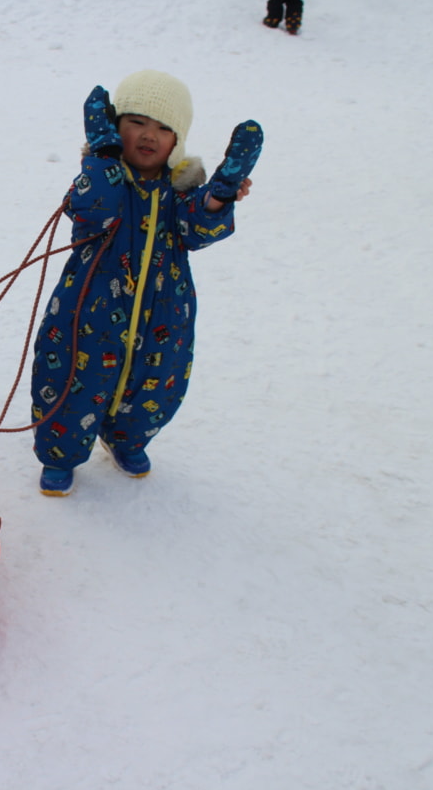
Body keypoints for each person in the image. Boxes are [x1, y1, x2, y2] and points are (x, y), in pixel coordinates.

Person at [30, 70, 262, 496]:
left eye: (163, 128)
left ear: (178, 141)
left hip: (164, 314)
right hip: (88, 312)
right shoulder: (101, 177)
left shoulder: (179, 192)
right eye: (136, 122)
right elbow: (91, 208)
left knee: (156, 384)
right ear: (114, 126)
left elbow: (197, 230)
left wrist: (221, 194)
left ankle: (128, 439)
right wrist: (102, 154)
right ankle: (60, 455)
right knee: (69, 383)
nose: (148, 136)